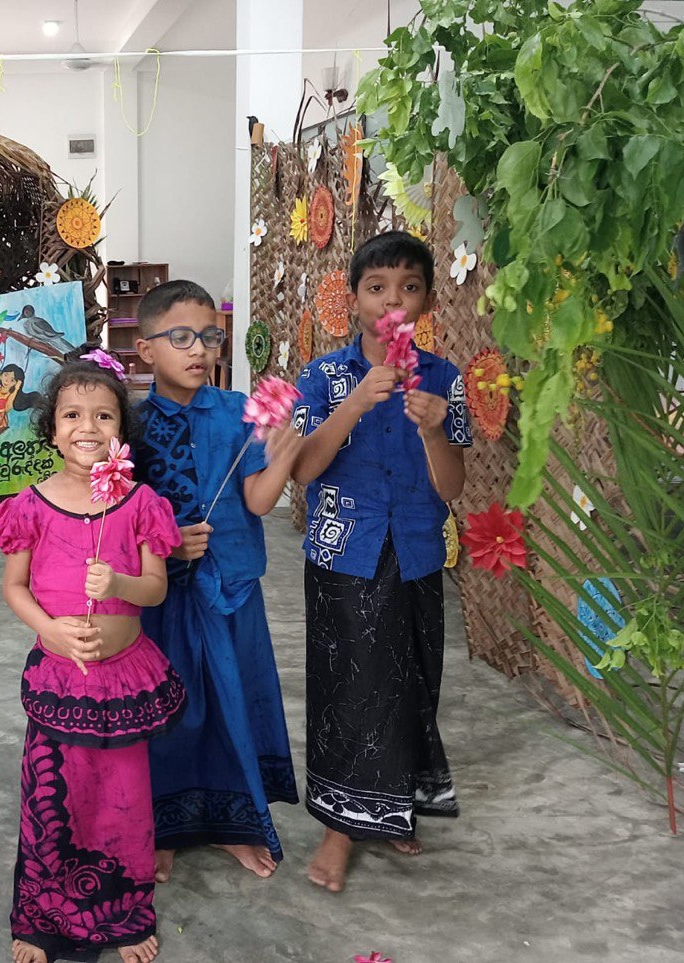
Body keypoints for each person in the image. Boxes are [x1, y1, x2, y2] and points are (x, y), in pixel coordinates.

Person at [0, 350, 186, 963]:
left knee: (121, 795)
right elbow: (14, 587)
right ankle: (42, 917)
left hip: (122, 681)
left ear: (121, 431)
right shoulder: (31, 506)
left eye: (103, 415)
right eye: (72, 414)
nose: (87, 428)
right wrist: (54, 631)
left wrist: (118, 585)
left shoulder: (141, 503)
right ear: (51, 428)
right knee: (53, 798)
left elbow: (155, 587)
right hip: (60, 679)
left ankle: (123, 914)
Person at [291, 231, 471, 893]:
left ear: (425, 297)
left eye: (409, 286)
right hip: (344, 554)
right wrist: (356, 402)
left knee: (413, 683)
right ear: (356, 297)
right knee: (349, 689)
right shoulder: (324, 377)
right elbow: (305, 469)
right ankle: (340, 826)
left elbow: (451, 486)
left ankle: (391, 804)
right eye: (377, 287)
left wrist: (430, 427)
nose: (393, 299)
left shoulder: (444, 381)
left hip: (418, 550)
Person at [131, 280, 302, 883]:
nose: (199, 349)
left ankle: (233, 826)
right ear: (146, 348)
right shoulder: (126, 423)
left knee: (233, 704)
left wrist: (282, 449)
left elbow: (256, 501)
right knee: (168, 708)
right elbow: (107, 514)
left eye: (209, 337)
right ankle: (163, 828)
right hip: (157, 595)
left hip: (229, 587)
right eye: (181, 337)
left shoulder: (237, 413)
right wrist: (165, 543)